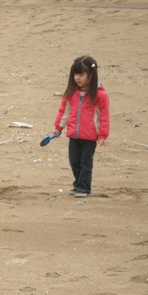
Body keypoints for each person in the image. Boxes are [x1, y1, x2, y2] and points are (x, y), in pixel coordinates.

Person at [53, 56, 110, 198]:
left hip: (89, 137)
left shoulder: (99, 95)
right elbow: (64, 111)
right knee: (74, 162)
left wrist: (103, 134)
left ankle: (84, 187)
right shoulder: (72, 93)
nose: (77, 78)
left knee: (86, 164)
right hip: (73, 135)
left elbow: (103, 116)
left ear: (91, 75)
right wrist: (59, 127)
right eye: (75, 74)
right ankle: (78, 184)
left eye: (81, 74)